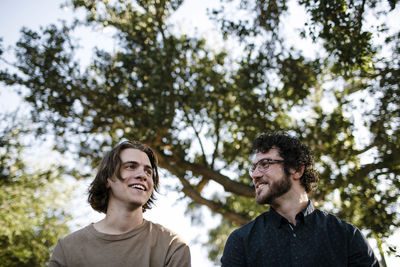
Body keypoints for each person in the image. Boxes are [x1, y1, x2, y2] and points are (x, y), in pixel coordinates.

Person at [221, 132, 379, 267]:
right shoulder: (241, 241)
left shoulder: (346, 236)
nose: (255, 175)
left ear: (296, 169)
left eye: (265, 164)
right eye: (254, 168)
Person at [50, 141, 191, 267]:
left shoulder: (172, 247)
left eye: (148, 171)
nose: (142, 175)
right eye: (130, 166)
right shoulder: (67, 249)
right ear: (107, 179)